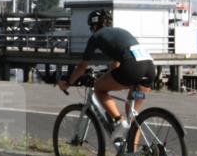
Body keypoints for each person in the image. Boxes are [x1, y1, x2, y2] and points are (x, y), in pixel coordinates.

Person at [58, 9, 156, 144]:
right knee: (133, 118)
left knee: (99, 88)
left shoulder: (96, 36)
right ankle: (132, 154)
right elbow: (116, 64)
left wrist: (69, 82)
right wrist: (108, 74)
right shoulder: (120, 32)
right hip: (149, 68)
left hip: (132, 68)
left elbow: (82, 66)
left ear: (93, 26)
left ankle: (119, 121)